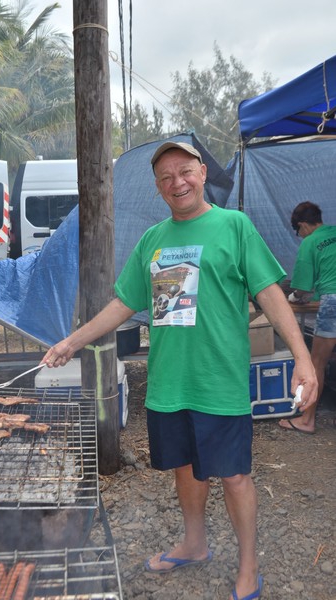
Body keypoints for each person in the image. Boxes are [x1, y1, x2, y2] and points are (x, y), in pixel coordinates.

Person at [42, 142, 317, 600]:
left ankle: (248, 564)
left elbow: (269, 294)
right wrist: (71, 342)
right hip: (169, 382)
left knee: (233, 475)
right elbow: (124, 304)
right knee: (186, 468)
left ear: (203, 173)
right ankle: (194, 544)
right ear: (158, 187)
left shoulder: (234, 226)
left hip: (218, 380)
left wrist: (303, 359)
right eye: (166, 177)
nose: (177, 182)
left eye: (185, 171)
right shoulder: (153, 240)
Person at [280, 201, 336, 435]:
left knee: (316, 364)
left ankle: (307, 420)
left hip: (333, 302)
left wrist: (294, 296)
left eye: (298, 231)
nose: (300, 236)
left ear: (303, 225)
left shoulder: (310, 242)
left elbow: (302, 289)